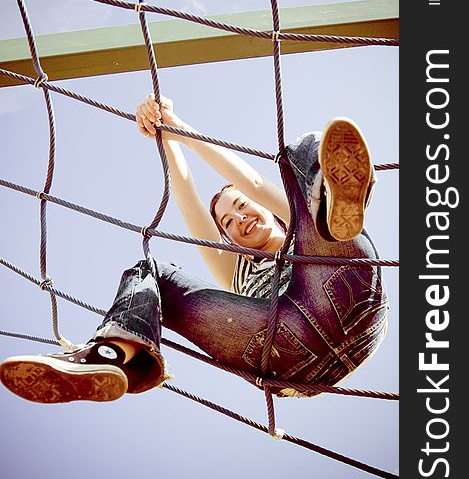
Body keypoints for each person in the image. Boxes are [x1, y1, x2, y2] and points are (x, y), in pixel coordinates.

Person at [0, 94, 388, 403]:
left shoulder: (298, 227)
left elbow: (252, 182)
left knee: (301, 152)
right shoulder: (235, 271)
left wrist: (181, 127)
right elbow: (188, 202)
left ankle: (333, 201)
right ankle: (115, 357)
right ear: (229, 240)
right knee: (149, 271)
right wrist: (165, 136)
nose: (240, 219)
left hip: (344, 293)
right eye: (228, 224)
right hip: (282, 349)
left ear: (270, 213)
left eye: (241, 208)